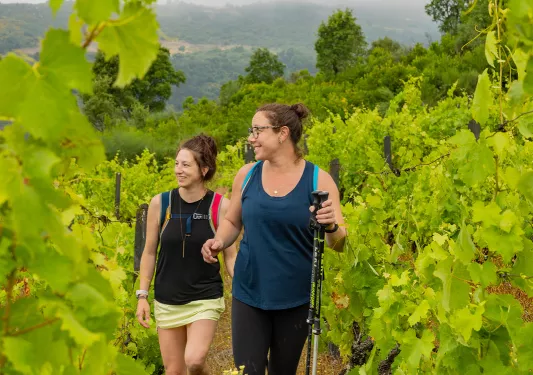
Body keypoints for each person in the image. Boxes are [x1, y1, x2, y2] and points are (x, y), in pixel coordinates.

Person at [201, 103, 347, 375]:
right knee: (248, 371)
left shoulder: (319, 180)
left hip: (295, 298)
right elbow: (233, 221)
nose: (251, 137)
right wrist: (219, 241)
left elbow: (339, 243)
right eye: (251, 130)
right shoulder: (247, 175)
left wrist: (331, 226)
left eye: (258, 130)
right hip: (249, 292)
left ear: (282, 133)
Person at [136, 134, 237, 375]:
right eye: (176, 164)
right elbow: (149, 252)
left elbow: (230, 256)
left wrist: (242, 287)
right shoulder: (160, 204)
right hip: (167, 299)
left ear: (204, 169)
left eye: (186, 165)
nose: (178, 170)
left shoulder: (220, 206)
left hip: (204, 297)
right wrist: (142, 295)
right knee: (175, 371)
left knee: (194, 360)